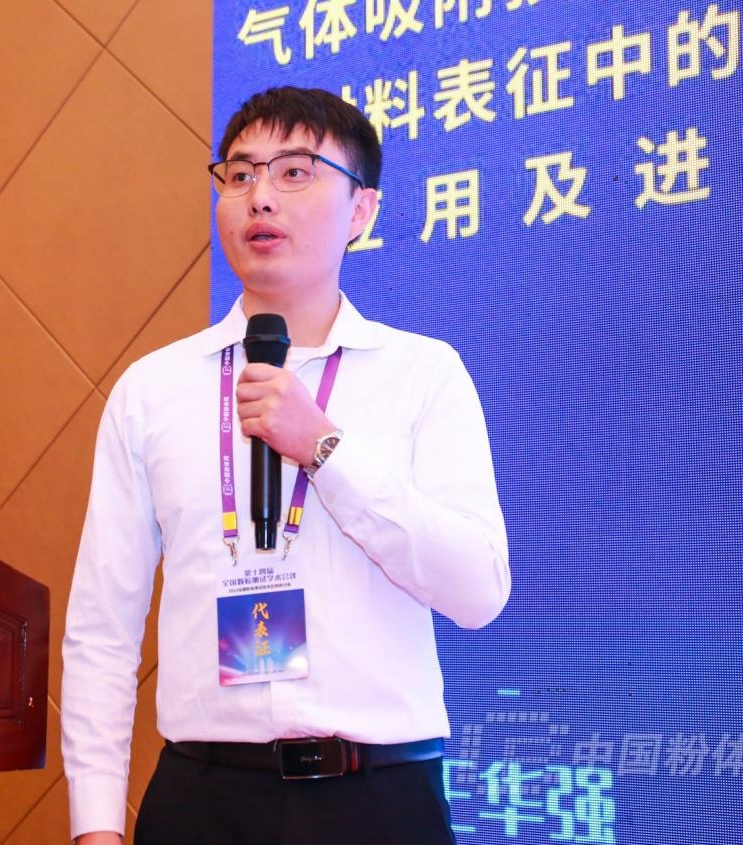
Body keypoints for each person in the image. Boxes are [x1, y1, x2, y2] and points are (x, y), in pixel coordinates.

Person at [61, 86, 510, 845]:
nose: (259, 196)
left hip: (380, 799)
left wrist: (324, 448)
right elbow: (103, 626)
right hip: (203, 800)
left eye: (294, 172)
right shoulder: (152, 390)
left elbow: (477, 591)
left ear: (361, 210)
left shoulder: (424, 374)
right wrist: (95, 826)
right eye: (239, 174)